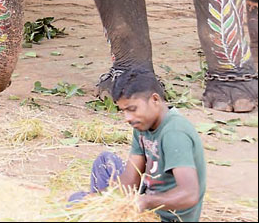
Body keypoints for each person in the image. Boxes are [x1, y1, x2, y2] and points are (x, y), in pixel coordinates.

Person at [69, 68, 206, 222]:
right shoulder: (142, 125)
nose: (127, 118)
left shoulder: (174, 133)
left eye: (132, 109)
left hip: (163, 217)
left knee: (76, 205)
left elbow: (190, 194)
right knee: (103, 163)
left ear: (155, 100)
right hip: (145, 204)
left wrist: (145, 201)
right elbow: (130, 180)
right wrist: (98, 199)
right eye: (123, 111)